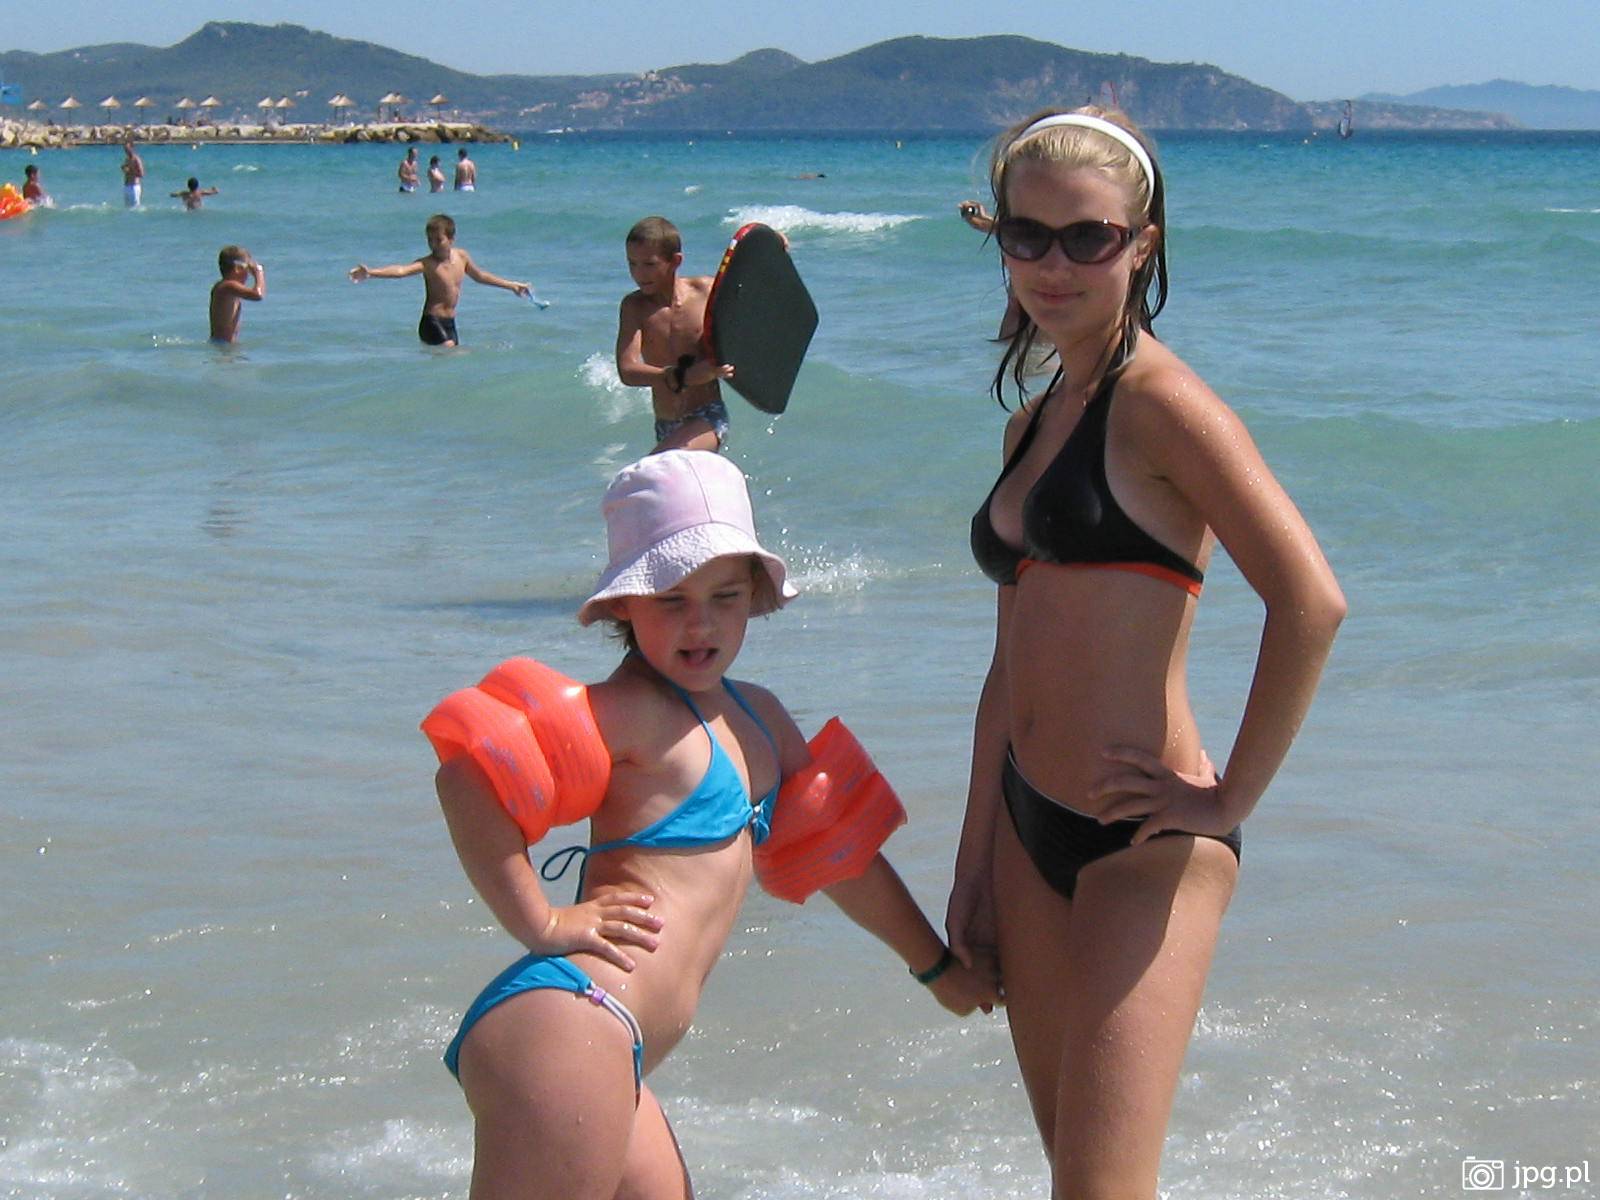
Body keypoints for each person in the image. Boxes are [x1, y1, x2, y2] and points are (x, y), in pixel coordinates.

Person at [947, 107, 1346, 1199]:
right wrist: (974, 862)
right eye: (1027, 236)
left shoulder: (1164, 405)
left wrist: (1228, 799)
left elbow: (1310, 603)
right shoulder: (1031, 423)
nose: (1053, 265)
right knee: (1068, 1176)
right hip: (1026, 826)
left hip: (1144, 841)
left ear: (1143, 242)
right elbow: (1006, 668)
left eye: (1088, 237)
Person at [425, 450, 997, 1200]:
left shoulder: (759, 715)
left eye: (724, 596)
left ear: (754, 595)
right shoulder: (631, 711)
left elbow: (841, 857)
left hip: (612, 1047)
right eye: (671, 600)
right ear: (624, 605)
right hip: (571, 1023)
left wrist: (936, 969)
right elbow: (468, 779)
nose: (701, 623)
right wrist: (542, 920)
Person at [615, 216, 737, 452]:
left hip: (707, 417)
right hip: (665, 424)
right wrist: (682, 376)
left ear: (675, 261)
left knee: (654, 466)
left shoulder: (706, 292)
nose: (639, 273)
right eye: (632, 264)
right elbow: (627, 370)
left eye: (649, 264)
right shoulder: (634, 307)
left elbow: (754, 290)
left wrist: (770, 244)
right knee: (671, 472)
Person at [348, 213, 531, 347]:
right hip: (431, 322)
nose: (433, 244)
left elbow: (480, 276)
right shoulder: (427, 264)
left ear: (451, 239)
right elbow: (401, 270)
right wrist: (371, 272)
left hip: (450, 323)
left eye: (438, 240)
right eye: (430, 240)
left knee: (450, 366)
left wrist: (511, 286)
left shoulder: (462, 257)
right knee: (451, 351)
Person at [209, 245, 266, 343]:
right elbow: (258, 295)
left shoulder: (225, 287)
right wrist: (259, 273)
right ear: (237, 268)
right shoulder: (228, 286)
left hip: (223, 343)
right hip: (222, 344)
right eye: (247, 269)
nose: (248, 274)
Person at [120, 141, 143, 207]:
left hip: (134, 186)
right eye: (125, 149)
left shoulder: (136, 159)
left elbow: (141, 174)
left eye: (127, 149)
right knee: (127, 207)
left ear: (132, 148)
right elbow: (126, 170)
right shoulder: (127, 159)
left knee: (135, 207)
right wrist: (124, 169)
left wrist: (130, 171)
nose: (126, 151)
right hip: (127, 186)